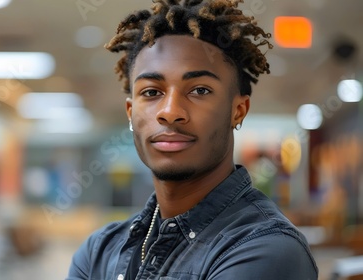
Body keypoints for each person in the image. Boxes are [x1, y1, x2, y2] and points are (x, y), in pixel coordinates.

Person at [67, 0, 318, 279]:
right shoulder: (99, 251)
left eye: (199, 90)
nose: (170, 112)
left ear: (237, 111)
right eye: (151, 92)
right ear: (130, 112)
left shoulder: (267, 249)